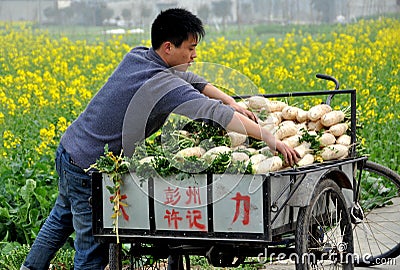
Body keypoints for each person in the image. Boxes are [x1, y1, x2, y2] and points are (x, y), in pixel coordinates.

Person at [21, 8, 299, 270]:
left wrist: (230, 100)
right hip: (87, 165)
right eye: (190, 49)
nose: (193, 56)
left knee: (61, 218)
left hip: (70, 148)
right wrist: (270, 139)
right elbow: (214, 113)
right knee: (92, 244)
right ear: (168, 47)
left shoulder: (139, 56)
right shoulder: (163, 85)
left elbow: (192, 79)